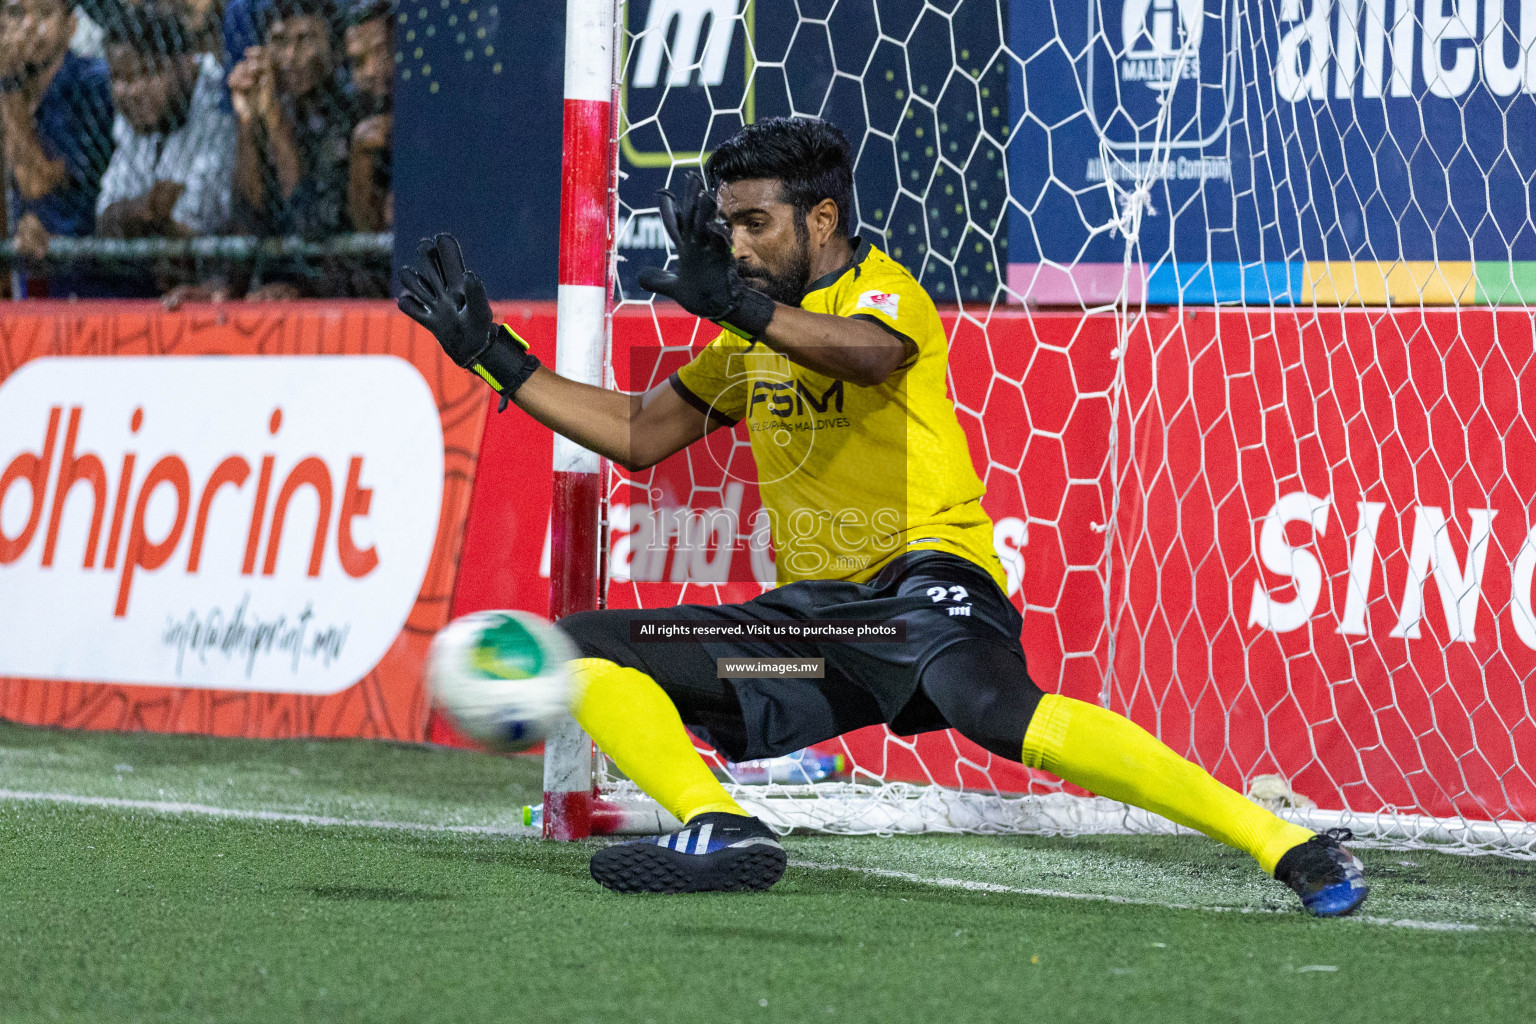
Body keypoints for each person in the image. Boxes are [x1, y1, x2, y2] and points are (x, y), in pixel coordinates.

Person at [397, 117, 1370, 916]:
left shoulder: (878, 291)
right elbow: (642, 432)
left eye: (757, 223)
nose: (736, 244)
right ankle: (720, 823)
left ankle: (1280, 837)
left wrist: (742, 308)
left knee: (992, 709)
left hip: (929, 591)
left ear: (822, 217)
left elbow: (867, 356)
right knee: (586, 645)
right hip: (819, 632)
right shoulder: (754, 329)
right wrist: (495, 353)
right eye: (728, 225)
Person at [96, 3, 236, 239]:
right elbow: (105, 217)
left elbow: (194, 227)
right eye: (119, 77)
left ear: (186, 62)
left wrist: (137, 213)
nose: (133, 91)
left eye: (147, 73)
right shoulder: (136, 112)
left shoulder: (219, 99)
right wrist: (144, 209)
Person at [1, 0, 114, 290]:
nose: (28, 27)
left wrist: (9, 84)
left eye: (44, 13)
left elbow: (38, 182)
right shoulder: (18, 91)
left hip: (89, 277)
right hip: (31, 277)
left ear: (71, 25)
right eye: (15, 13)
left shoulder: (90, 81)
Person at [227, 0, 349, 243]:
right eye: (280, 41)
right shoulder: (275, 103)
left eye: (305, 39)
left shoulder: (347, 111)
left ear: (335, 48)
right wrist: (247, 118)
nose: (291, 56)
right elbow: (247, 225)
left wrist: (273, 116)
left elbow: (308, 225)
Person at [343, 0, 389, 231]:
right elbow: (364, 228)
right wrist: (361, 155)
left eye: (381, 51)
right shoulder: (350, 116)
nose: (370, 71)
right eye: (358, 62)